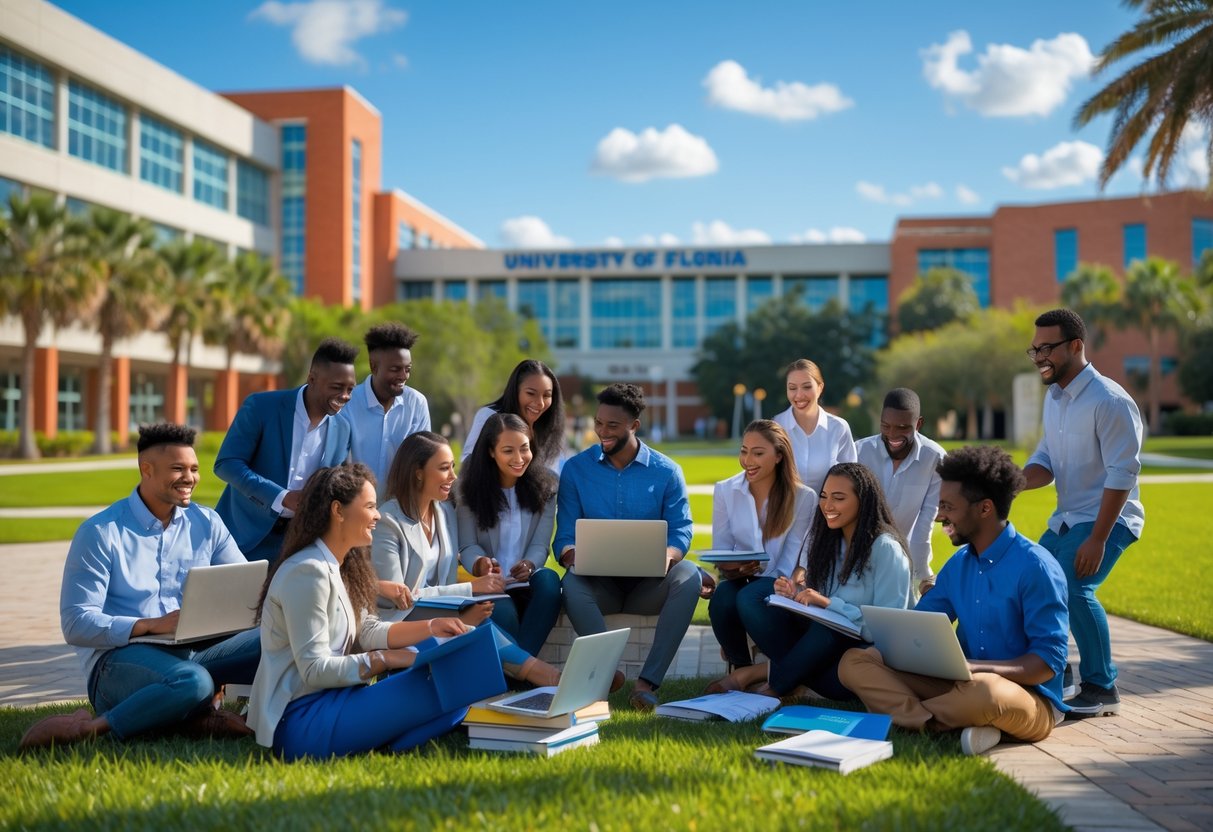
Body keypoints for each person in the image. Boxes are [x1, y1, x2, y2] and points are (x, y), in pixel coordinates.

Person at [246, 463, 560, 761]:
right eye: (369, 506)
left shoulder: (343, 566)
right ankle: (381, 734)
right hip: (302, 718)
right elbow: (314, 669)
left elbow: (367, 630)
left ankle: (384, 738)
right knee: (449, 682)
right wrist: (387, 658)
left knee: (457, 680)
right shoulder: (308, 572)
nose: (378, 516)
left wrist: (435, 626)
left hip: (337, 699)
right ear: (338, 511)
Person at [19, 424, 258, 750]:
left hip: (193, 650)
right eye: (178, 468)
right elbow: (76, 623)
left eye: (194, 469)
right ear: (146, 470)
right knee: (194, 681)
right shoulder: (101, 532)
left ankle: (203, 713)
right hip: (117, 662)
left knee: (278, 635)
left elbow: (247, 585)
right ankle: (89, 730)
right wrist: (149, 626)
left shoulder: (207, 523)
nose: (189, 478)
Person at [838, 445, 1070, 756]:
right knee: (856, 661)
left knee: (987, 692)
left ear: (984, 509)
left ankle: (911, 718)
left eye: (948, 506)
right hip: (961, 683)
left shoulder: (1036, 568)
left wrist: (978, 668)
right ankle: (938, 723)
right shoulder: (959, 564)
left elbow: (1047, 663)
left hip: (1028, 698)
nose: (940, 516)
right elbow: (917, 629)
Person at [554, 383, 709, 710]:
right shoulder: (575, 470)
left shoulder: (667, 472)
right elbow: (564, 535)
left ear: (634, 426)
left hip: (649, 586)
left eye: (612, 426)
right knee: (571, 583)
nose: (602, 432)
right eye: (598, 423)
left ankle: (646, 683)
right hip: (599, 587)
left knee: (690, 575)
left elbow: (681, 531)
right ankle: (608, 674)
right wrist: (573, 554)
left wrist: (668, 555)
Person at [1022, 308, 1144, 716]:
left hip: (1110, 518)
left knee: (1075, 589)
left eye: (1048, 348)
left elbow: (1123, 472)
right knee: (1031, 582)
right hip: (1068, 517)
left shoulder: (1109, 400)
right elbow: (1045, 461)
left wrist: (1098, 538)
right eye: (1035, 348)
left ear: (1076, 345)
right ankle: (1059, 670)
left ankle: (1101, 686)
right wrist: (1010, 482)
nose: (1040, 356)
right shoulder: (1055, 398)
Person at [711, 462, 913, 699]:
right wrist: (797, 593)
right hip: (823, 652)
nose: (827, 506)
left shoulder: (886, 549)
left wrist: (829, 604)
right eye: (824, 496)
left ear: (863, 501)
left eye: (838, 498)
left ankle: (773, 687)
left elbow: (887, 632)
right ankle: (784, 676)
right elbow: (823, 601)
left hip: (862, 658)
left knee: (826, 631)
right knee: (753, 596)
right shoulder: (830, 542)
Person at [215, 338, 357, 562]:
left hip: (301, 543)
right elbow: (227, 464)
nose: (345, 396)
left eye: (350, 389)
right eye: (337, 387)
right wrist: (282, 497)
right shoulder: (261, 407)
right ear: (312, 378)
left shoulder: (343, 429)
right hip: (243, 537)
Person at [705, 419, 814, 677]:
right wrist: (732, 567)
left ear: (778, 456)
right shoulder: (725, 491)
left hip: (780, 578)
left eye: (758, 453)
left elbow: (796, 554)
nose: (748, 460)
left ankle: (785, 667)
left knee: (748, 597)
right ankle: (739, 666)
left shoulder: (803, 497)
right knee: (722, 598)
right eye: (744, 451)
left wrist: (791, 581)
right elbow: (721, 548)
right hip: (740, 577)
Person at [457, 413, 562, 655]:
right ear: (491, 452)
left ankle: (519, 669)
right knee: (501, 610)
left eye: (524, 449)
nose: (519, 458)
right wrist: (481, 563)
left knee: (549, 581)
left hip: (528, 583)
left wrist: (530, 564)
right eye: (508, 451)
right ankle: (525, 675)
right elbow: (468, 546)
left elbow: (540, 544)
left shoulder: (548, 486)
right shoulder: (468, 487)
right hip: (492, 585)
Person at [372, 431, 504, 622]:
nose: (453, 476)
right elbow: (401, 599)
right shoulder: (387, 521)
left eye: (452, 467)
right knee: (485, 626)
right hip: (402, 622)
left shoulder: (445, 511)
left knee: (496, 614)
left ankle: (529, 654)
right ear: (418, 473)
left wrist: (480, 564)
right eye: (444, 468)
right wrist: (471, 588)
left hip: (444, 613)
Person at [855, 388, 945, 595]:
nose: (892, 435)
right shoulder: (859, 452)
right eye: (886, 426)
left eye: (903, 428)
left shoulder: (935, 458)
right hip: (858, 557)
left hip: (904, 559)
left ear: (919, 424)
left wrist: (922, 576)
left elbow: (925, 523)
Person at [339, 322, 431, 491]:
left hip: (401, 510)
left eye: (407, 369)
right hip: (356, 507)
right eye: (396, 369)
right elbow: (339, 464)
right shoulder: (348, 404)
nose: (404, 376)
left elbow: (422, 460)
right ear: (373, 366)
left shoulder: (417, 403)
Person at [460, 359, 566, 471]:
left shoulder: (551, 429)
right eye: (531, 393)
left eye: (546, 395)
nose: (540, 403)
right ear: (515, 391)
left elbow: (553, 478)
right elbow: (467, 462)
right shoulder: (489, 416)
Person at [772, 358, 857, 493]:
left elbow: (851, 479)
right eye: (792, 388)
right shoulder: (775, 427)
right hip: (785, 513)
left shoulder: (839, 428)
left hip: (826, 512)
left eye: (807, 387)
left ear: (820, 388)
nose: (799, 395)